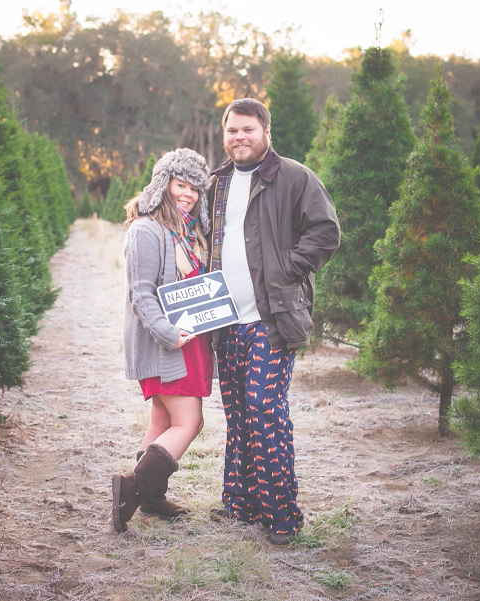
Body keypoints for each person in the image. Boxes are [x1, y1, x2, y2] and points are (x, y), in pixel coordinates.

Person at [208, 98, 340, 545]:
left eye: (248, 129)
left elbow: (326, 232)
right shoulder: (216, 183)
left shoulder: (295, 177)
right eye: (232, 130)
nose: (239, 137)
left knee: (266, 411)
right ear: (223, 134)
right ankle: (240, 503)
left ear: (266, 131)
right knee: (239, 414)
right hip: (226, 322)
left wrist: (285, 269)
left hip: (271, 319)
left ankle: (282, 513)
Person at [112, 148, 213, 533]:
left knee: (164, 416)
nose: (187, 193)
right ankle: (132, 490)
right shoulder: (147, 229)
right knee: (189, 421)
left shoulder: (188, 232)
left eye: (194, 188)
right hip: (165, 342)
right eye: (180, 184)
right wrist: (169, 335)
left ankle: (151, 499)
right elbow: (141, 293)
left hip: (189, 339)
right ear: (163, 184)